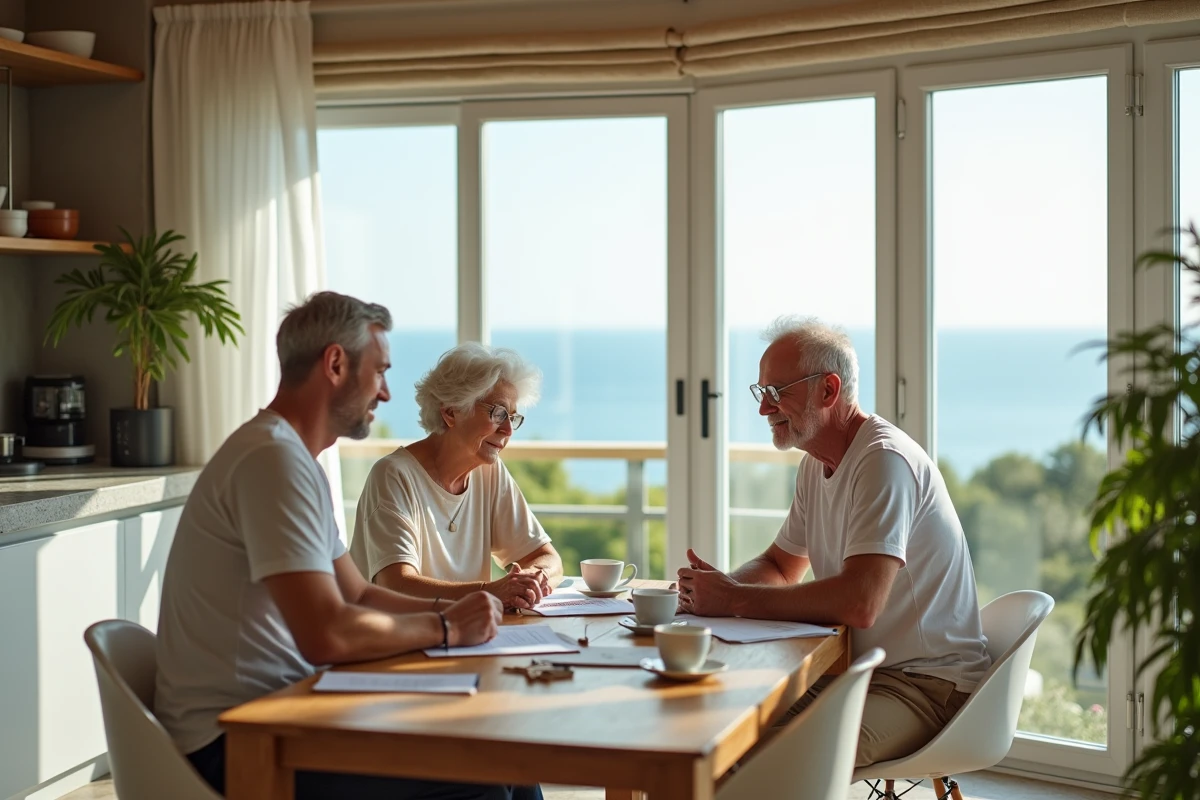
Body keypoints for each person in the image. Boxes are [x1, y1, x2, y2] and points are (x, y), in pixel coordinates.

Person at [155, 291, 540, 800]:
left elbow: (356, 594)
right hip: (238, 738)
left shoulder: (293, 459)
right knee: (480, 772)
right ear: (335, 363)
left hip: (287, 707)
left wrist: (461, 609)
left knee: (505, 752)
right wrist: (446, 626)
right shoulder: (273, 461)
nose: (385, 393)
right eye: (379, 372)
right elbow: (325, 635)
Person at [677, 316, 991, 768]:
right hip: (851, 671)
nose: (765, 409)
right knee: (705, 736)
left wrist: (733, 599)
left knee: (752, 763)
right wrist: (714, 591)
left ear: (828, 390)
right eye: (761, 392)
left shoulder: (883, 461)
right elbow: (782, 566)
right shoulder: (817, 461)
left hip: (923, 684)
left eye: (776, 392)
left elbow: (859, 603)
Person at [350, 343, 563, 610]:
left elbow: (547, 557)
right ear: (451, 411)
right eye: (498, 413)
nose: (508, 429)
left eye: (513, 417)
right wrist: (491, 592)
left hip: (462, 635)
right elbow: (397, 584)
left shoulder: (489, 471)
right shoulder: (394, 475)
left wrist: (534, 579)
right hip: (394, 639)